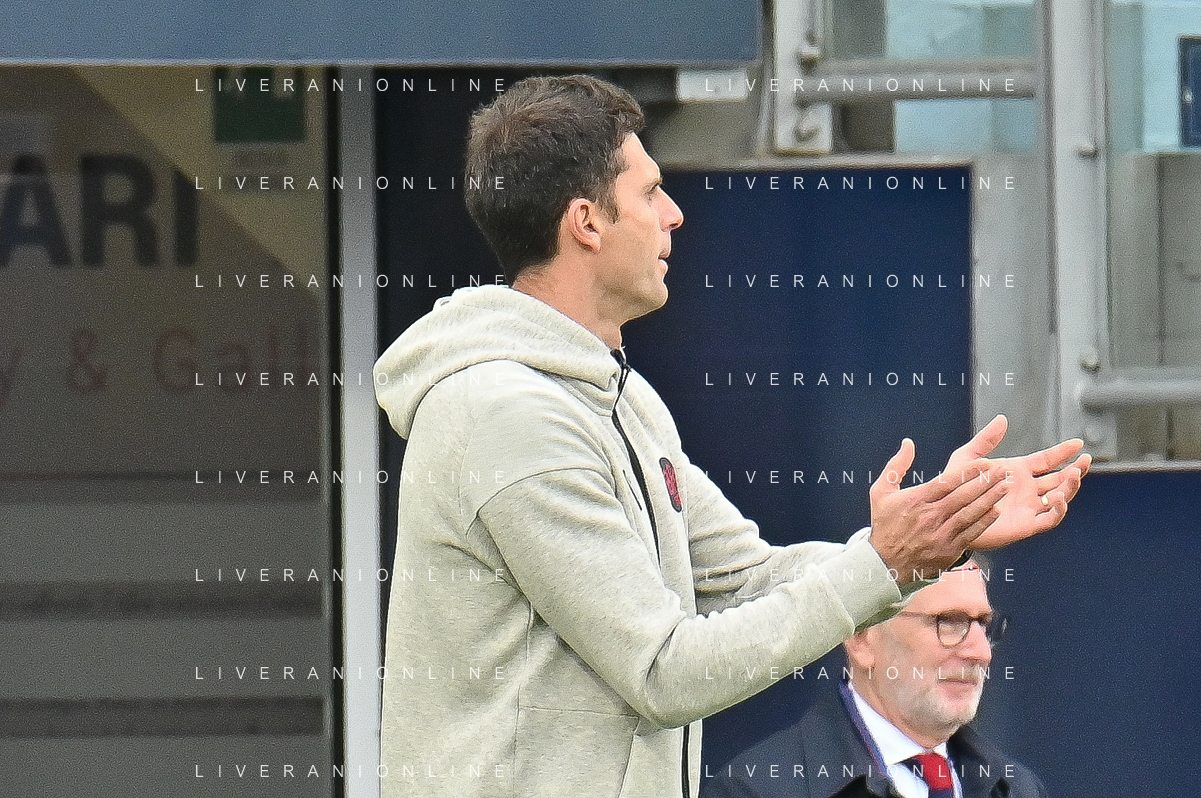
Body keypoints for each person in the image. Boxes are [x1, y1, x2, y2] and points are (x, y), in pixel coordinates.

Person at [371, 75, 1088, 798]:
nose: (675, 215)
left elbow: (747, 579)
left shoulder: (624, 401)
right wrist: (887, 560)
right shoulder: (506, 416)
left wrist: (933, 536)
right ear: (586, 222)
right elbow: (663, 670)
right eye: (651, 192)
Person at [701, 561, 1046, 798]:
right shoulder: (755, 789)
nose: (981, 653)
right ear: (862, 637)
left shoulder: (1017, 788)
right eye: (949, 622)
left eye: (983, 625)